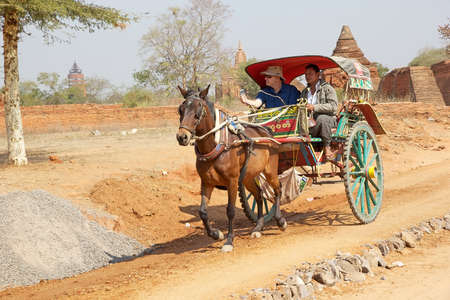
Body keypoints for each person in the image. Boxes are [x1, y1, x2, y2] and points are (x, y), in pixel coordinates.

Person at [300, 63, 338, 161]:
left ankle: (327, 147)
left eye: (310, 74)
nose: (307, 77)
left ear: (318, 75)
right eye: (306, 74)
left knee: (322, 118)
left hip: (328, 121)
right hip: (310, 123)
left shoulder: (327, 88)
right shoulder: (304, 92)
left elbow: (333, 107)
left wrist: (314, 107)